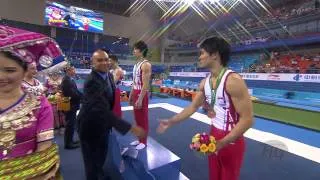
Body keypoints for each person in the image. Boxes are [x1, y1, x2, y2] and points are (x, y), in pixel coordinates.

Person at [157, 37, 254, 180]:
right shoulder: (205, 83)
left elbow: (247, 119)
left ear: (214, 54)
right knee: (214, 176)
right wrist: (171, 121)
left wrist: (223, 142)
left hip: (232, 139)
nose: (200, 57)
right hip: (213, 135)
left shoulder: (233, 81)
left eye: (202, 53)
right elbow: (192, 107)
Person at [0, 25, 64, 179]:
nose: (1, 77)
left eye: (10, 70)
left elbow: (43, 150)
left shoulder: (39, 104)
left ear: (23, 70)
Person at [77, 49, 146, 180]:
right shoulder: (91, 81)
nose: (104, 62)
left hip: (103, 125)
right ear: (92, 62)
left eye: (106, 59)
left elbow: (109, 99)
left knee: (102, 154)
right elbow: (101, 110)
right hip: (89, 127)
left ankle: (100, 174)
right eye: (99, 60)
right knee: (91, 160)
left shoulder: (108, 75)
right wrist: (130, 127)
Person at [128, 41, 152, 150]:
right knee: (137, 118)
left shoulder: (146, 65)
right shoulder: (136, 64)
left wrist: (140, 98)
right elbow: (134, 82)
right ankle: (139, 139)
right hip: (136, 92)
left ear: (141, 51)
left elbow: (145, 85)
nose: (133, 51)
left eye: (135, 49)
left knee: (143, 118)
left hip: (142, 93)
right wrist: (131, 96)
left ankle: (144, 141)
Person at [61, 64, 82, 149]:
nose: (74, 71)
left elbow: (76, 91)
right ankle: (68, 143)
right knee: (70, 124)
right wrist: (83, 98)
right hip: (69, 104)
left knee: (71, 124)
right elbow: (73, 94)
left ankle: (71, 140)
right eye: (73, 69)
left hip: (71, 104)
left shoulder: (69, 79)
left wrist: (83, 96)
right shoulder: (66, 80)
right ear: (68, 70)